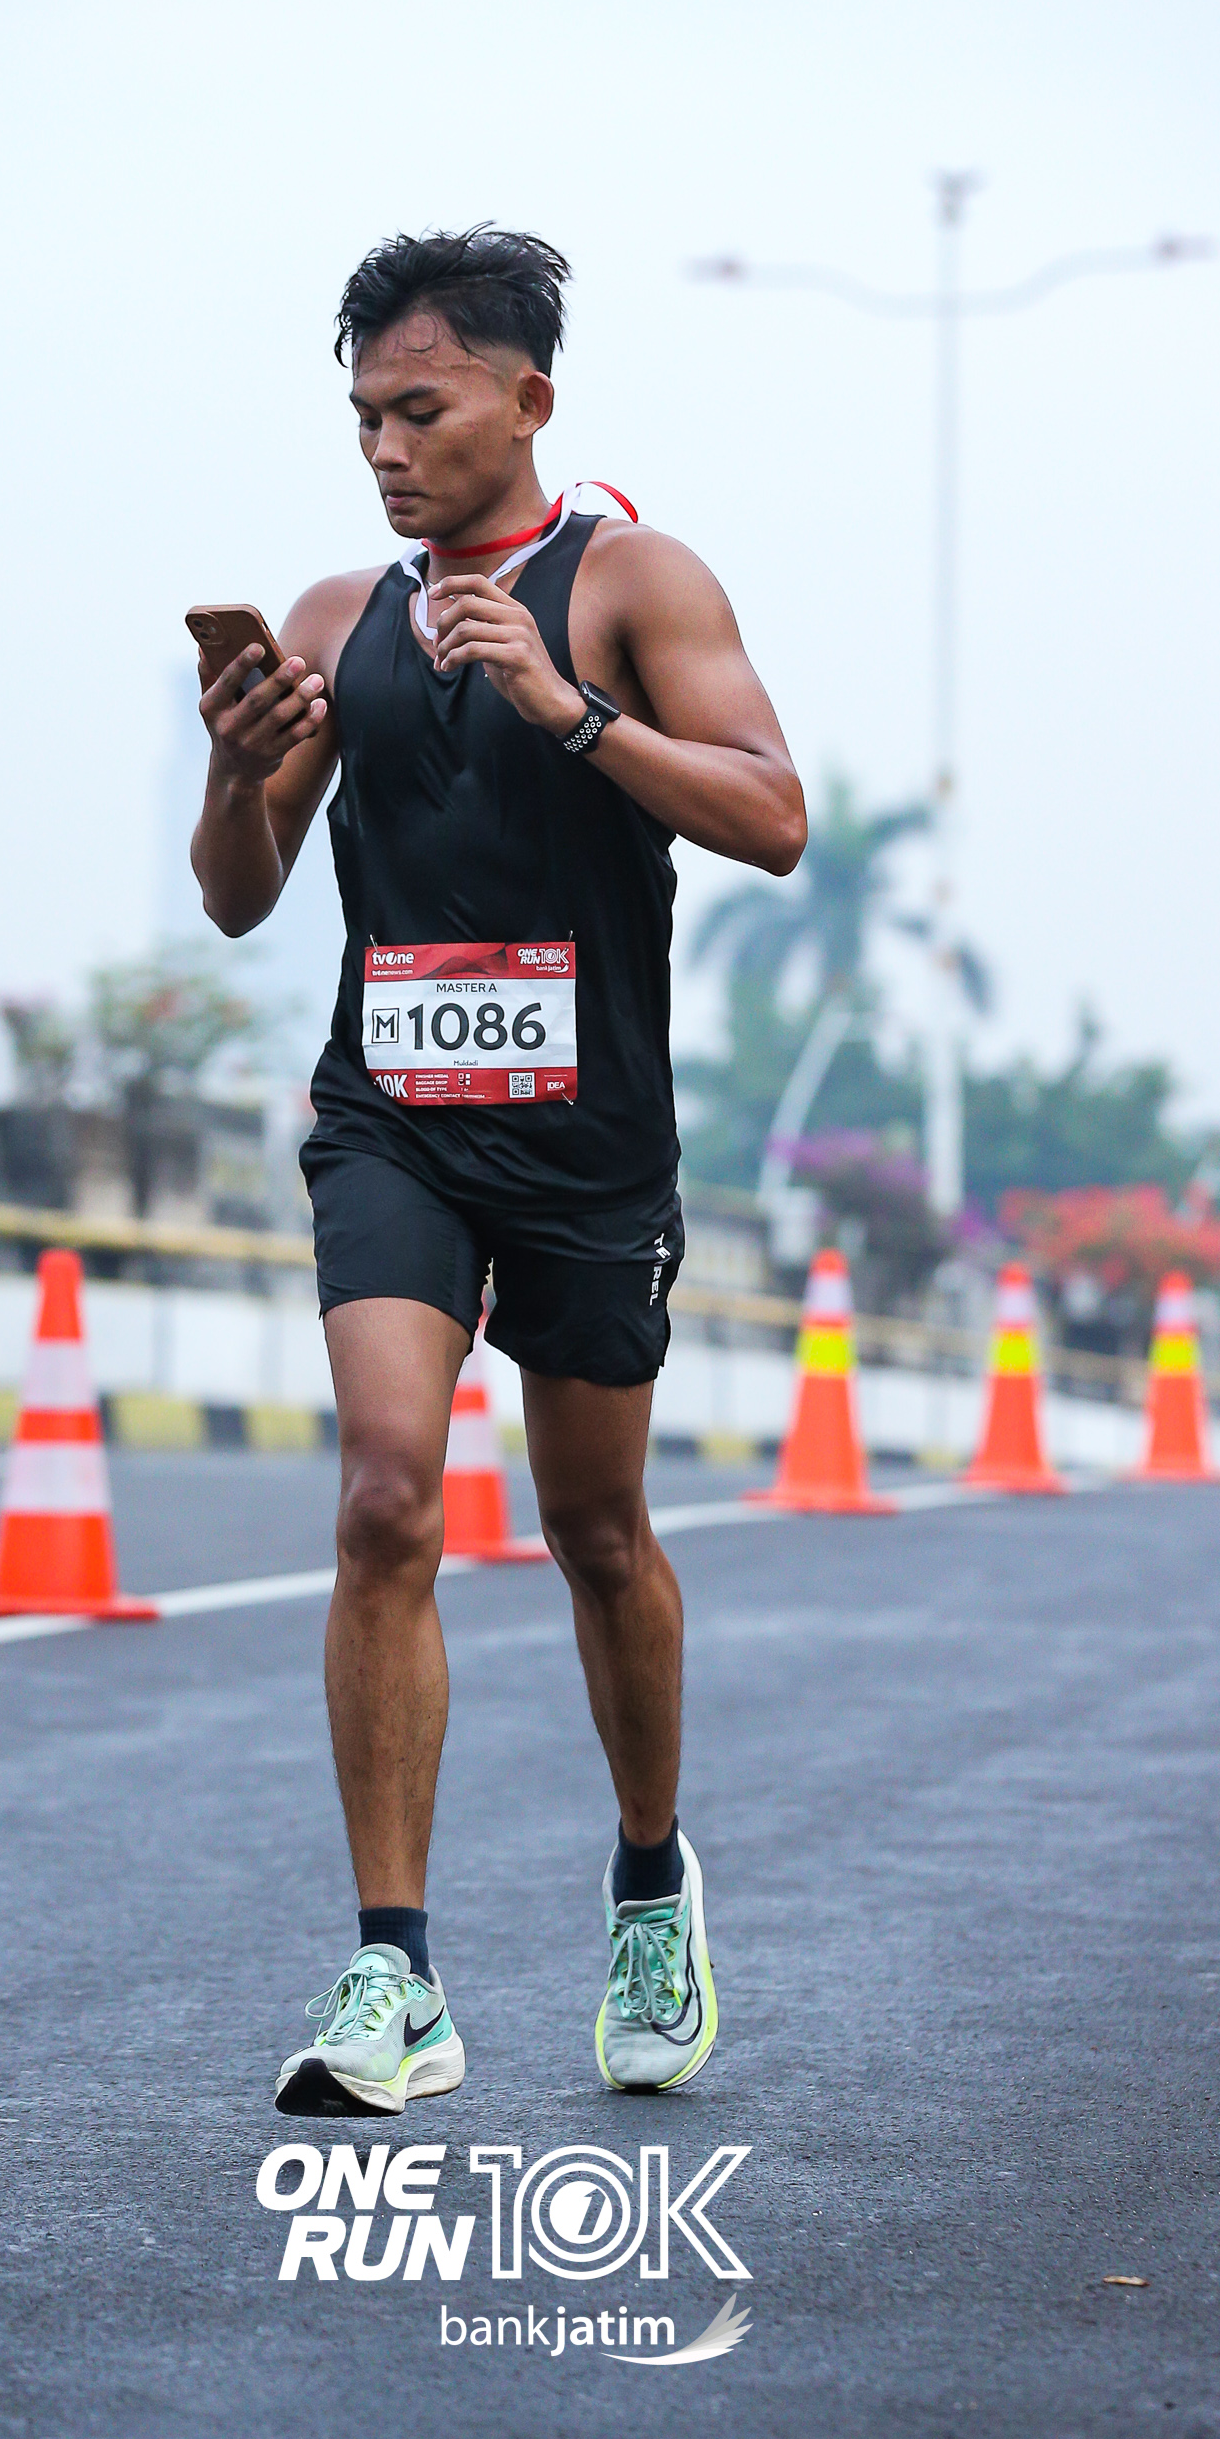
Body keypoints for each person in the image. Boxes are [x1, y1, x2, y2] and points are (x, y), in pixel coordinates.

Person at [192, 228, 806, 2115]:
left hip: (586, 1143)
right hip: (393, 1118)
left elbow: (776, 816)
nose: (386, 448)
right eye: (363, 416)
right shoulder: (341, 614)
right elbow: (237, 897)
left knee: (595, 1532)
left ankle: (650, 1886)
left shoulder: (631, 582)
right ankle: (396, 1972)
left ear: (528, 400)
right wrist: (233, 766)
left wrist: (570, 709)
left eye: (421, 408)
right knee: (388, 1495)